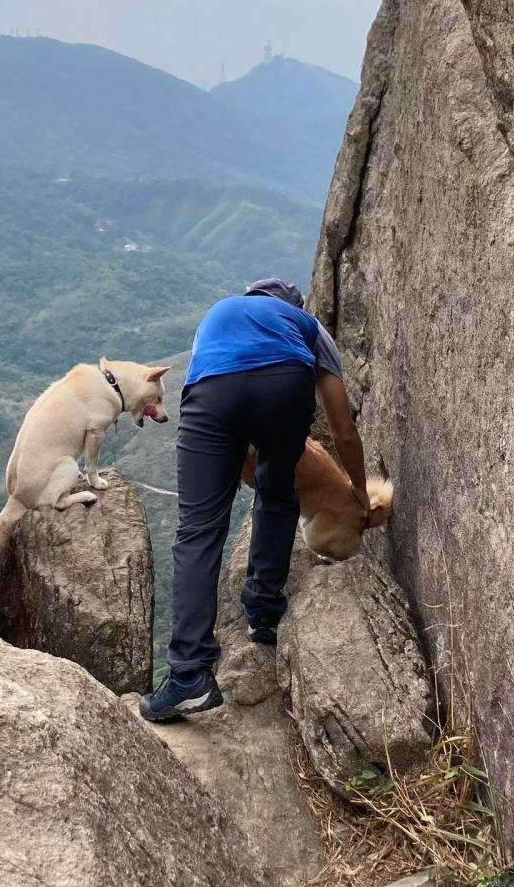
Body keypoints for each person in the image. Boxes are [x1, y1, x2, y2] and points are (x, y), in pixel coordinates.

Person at [139, 277, 368, 722]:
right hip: (285, 384)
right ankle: (263, 611)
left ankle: (188, 674)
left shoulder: (219, 313)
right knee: (278, 490)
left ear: (253, 299)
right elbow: (343, 429)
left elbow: (208, 373)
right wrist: (357, 487)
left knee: (198, 530)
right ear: (292, 305)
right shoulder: (307, 325)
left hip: (213, 391)